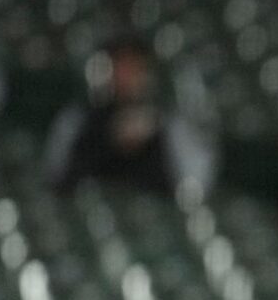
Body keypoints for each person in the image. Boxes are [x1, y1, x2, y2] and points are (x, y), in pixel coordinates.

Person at [45, 37, 215, 195]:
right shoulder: (80, 117)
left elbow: (195, 184)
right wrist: (109, 141)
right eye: (120, 65)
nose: (126, 75)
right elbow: (57, 175)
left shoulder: (172, 123)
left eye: (134, 66)